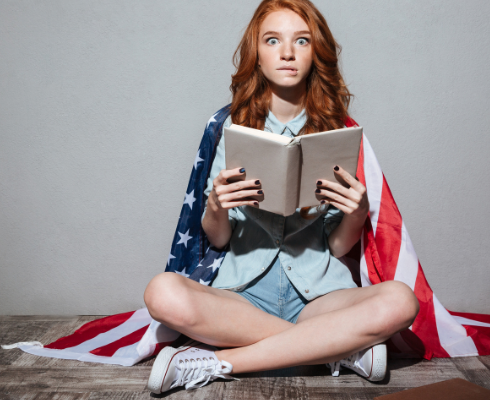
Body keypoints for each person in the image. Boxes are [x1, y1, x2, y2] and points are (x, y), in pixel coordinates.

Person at [143, 0, 419, 393]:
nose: (287, 53)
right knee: (161, 292)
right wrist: (216, 206)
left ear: (315, 53)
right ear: (256, 55)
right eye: (273, 40)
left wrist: (357, 213)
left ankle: (216, 362)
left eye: (301, 41)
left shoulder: (338, 130)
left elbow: (339, 246)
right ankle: (335, 348)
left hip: (320, 296)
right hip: (242, 295)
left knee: (401, 301)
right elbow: (218, 239)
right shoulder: (230, 125)